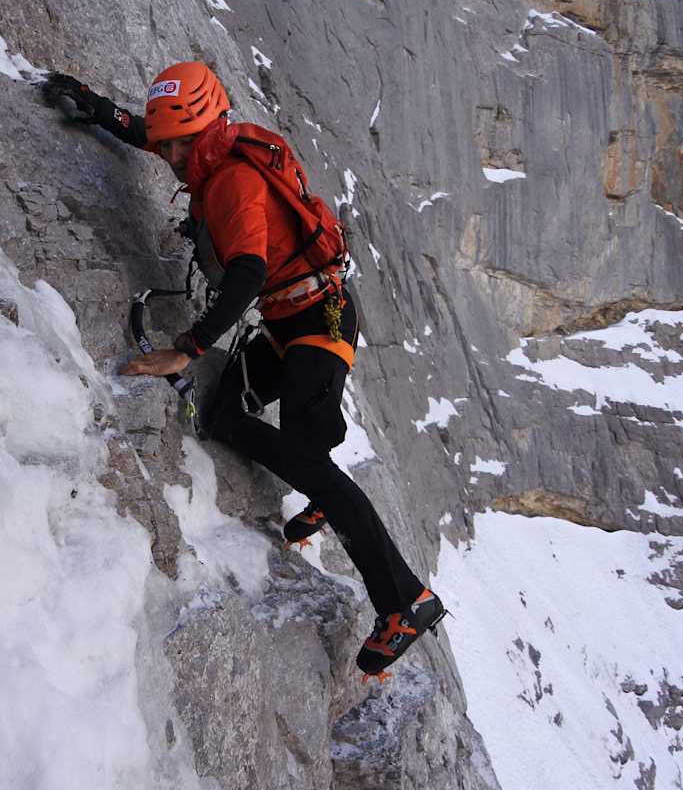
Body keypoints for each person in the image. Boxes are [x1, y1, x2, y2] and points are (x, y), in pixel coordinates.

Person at [41, 63, 444, 679]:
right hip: (286, 321)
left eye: (174, 145)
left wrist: (188, 348)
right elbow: (150, 135)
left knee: (311, 462)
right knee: (226, 416)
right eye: (166, 142)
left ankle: (405, 600)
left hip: (323, 318)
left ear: (197, 134)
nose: (168, 156)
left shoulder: (230, 183)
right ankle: (319, 483)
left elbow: (248, 275)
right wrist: (98, 108)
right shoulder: (210, 147)